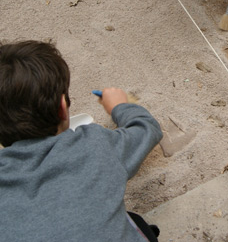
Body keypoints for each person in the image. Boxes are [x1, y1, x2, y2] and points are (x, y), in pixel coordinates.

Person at [0, 40, 163, 241]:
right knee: (136, 222)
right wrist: (119, 106)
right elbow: (147, 128)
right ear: (62, 107)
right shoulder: (94, 145)